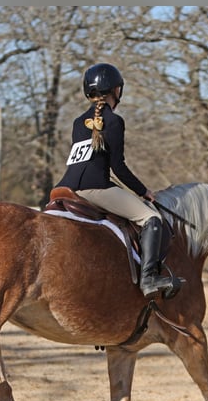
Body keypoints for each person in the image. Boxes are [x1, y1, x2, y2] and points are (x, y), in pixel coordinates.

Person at [54, 63, 180, 299]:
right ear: (116, 90)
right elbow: (118, 167)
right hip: (95, 190)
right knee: (151, 217)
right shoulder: (114, 121)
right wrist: (144, 192)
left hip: (65, 188)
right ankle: (150, 278)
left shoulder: (77, 122)